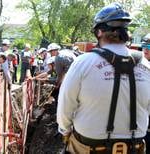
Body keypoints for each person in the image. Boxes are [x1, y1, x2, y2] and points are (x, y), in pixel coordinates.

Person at [57, 3, 150, 154]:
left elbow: (65, 105)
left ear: (99, 32)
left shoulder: (83, 62)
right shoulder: (146, 66)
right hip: (135, 146)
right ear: (125, 32)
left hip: (89, 146)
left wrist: (65, 130)